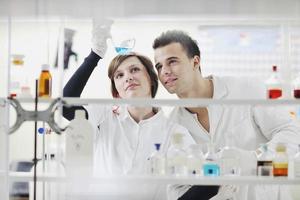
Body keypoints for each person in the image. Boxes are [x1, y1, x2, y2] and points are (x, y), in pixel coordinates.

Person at [152, 30, 300, 200]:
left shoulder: (245, 89)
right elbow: (178, 188)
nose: (165, 71)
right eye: (159, 66)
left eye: (172, 61)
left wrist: (255, 161)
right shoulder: (172, 124)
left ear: (195, 62)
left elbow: (291, 130)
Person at [62, 22, 194, 200]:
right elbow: (65, 105)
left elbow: (200, 182)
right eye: (119, 75)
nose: (128, 77)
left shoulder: (174, 132)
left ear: (151, 79)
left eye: (135, 70)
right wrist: (95, 54)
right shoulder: (104, 117)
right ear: (117, 91)